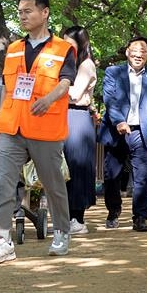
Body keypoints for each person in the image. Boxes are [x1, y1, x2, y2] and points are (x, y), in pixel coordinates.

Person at [0, 0, 76, 264]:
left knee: (52, 183)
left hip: (45, 128)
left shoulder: (63, 49)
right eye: (20, 12)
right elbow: (6, 87)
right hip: (11, 127)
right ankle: (2, 241)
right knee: (5, 183)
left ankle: (61, 231)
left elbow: (66, 82)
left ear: (44, 12)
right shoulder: (12, 49)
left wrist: (48, 99)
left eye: (28, 11)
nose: (22, 16)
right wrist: (0, 121)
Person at [99, 36, 147, 232]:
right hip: (116, 132)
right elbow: (109, 99)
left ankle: (141, 217)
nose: (138, 54)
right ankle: (113, 210)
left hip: (140, 132)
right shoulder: (113, 72)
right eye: (135, 50)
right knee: (112, 175)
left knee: (141, 177)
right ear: (127, 52)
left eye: (143, 51)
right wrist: (119, 121)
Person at [61, 25, 97, 235]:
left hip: (77, 117)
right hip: (62, 116)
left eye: (69, 42)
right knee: (62, 167)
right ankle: (64, 216)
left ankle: (77, 218)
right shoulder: (67, 63)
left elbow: (74, 94)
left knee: (77, 166)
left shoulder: (86, 65)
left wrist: (52, 89)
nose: (65, 45)